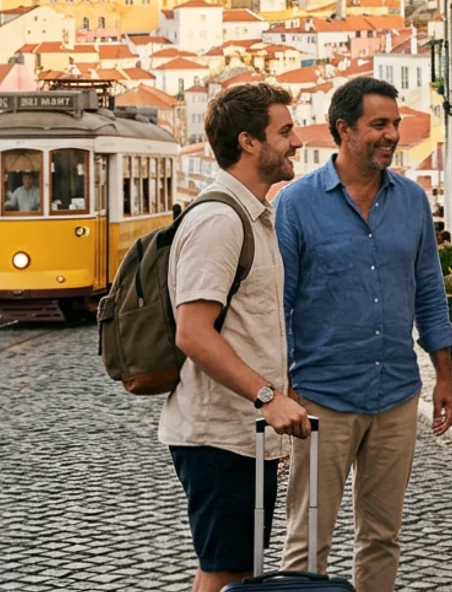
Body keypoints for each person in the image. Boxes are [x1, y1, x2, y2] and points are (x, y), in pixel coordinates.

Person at [277, 76, 452, 591]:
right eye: (379, 124)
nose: (392, 135)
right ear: (343, 130)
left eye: (395, 124)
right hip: (321, 400)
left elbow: (429, 292)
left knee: (382, 537)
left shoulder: (412, 202)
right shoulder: (296, 203)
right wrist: (285, 389)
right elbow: (279, 307)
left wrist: (446, 377)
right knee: (308, 540)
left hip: (397, 394)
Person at [159, 83, 311, 592]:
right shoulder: (220, 221)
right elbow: (193, 334)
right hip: (218, 435)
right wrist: (266, 397)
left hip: (243, 436)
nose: (297, 141)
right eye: (285, 131)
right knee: (225, 573)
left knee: (237, 572)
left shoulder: (253, 216)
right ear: (249, 142)